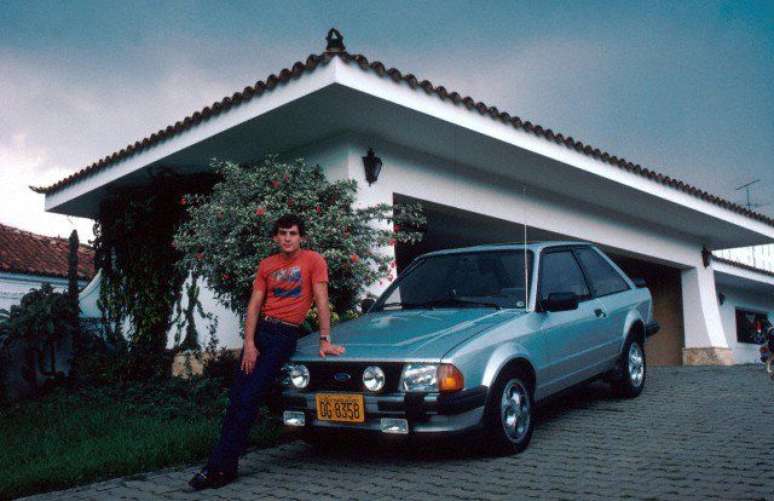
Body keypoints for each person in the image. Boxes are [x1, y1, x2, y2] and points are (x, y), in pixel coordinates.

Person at [190, 213, 345, 490]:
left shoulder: (314, 261)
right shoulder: (267, 265)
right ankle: (226, 466)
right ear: (275, 237)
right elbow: (253, 306)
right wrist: (249, 343)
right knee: (236, 401)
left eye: (293, 233)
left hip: (283, 336)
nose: (288, 238)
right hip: (260, 333)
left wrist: (325, 340)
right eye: (283, 233)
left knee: (249, 399)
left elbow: (321, 300)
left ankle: (217, 469)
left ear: (302, 237)